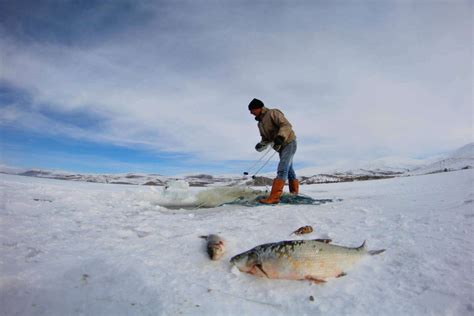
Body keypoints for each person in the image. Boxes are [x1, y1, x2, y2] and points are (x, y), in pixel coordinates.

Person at [248, 98, 299, 204]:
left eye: (252, 110)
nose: (251, 112)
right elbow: (266, 138)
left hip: (289, 142)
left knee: (282, 168)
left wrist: (281, 136)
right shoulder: (260, 123)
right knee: (289, 169)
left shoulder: (273, 113)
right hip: (280, 147)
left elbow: (286, 125)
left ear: (259, 108)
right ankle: (294, 194)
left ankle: (274, 197)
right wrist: (261, 145)